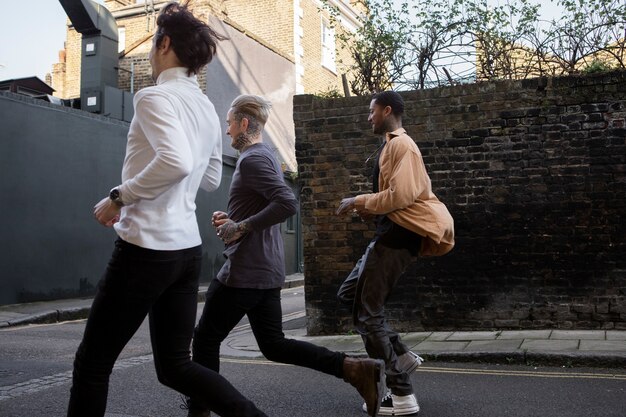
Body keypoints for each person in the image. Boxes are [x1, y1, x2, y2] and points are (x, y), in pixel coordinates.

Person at [67, 3, 268, 417]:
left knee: (93, 364)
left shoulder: (152, 97)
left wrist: (117, 197)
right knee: (175, 365)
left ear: (164, 44)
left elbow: (175, 162)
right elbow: (211, 177)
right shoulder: (207, 109)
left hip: (144, 249)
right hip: (185, 252)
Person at [188, 94, 386, 417]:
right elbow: (263, 206)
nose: (227, 132)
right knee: (274, 344)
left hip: (244, 272)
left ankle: (200, 412)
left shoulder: (252, 159)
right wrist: (232, 220)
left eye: (229, 124)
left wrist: (242, 227)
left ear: (244, 123)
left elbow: (286, 203)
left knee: (205, 340)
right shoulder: (266, 155)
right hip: (265, 271)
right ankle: (354, 369)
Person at [336, 90, 455, 416]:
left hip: (396, 238)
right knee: (349, 295)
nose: (368, 117)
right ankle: (400, 354)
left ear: (387, 110)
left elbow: (400, 196)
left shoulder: (403, 145)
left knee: (368, 314)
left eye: (371, 111)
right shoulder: (391, 146)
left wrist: (358, 201)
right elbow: (395, 198)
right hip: (388, 235)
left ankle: (401, 394)